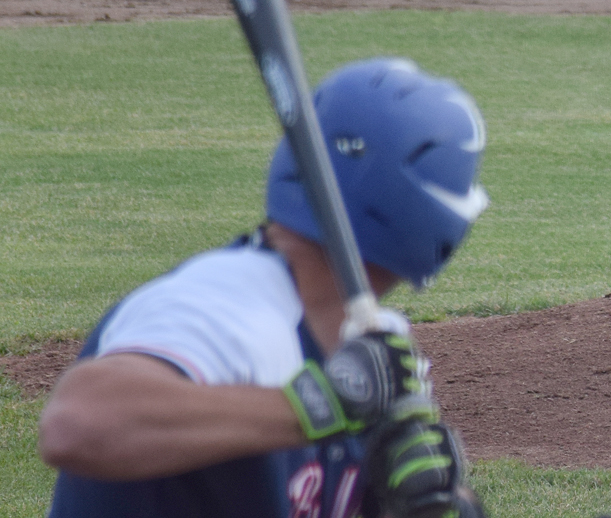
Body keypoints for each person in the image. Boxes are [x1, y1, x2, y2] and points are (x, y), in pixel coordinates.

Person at [39, 57, 492, 517]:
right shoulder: (223, 307)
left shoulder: (371, 341)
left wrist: (435, 502)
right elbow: (77, 423)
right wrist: (323, 405)